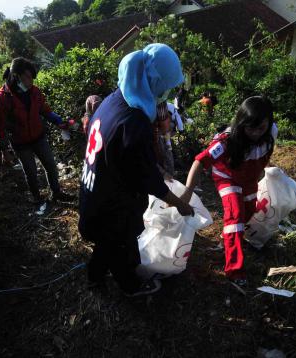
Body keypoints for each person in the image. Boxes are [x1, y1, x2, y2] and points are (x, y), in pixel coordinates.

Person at [78, 44, 194, 297]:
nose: (166, 93)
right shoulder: (135, 120)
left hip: (94, 189)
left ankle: (94, 279)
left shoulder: (115, 98)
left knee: (106, 244)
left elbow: (130, 157)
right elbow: (144, 176)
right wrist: (179, 203)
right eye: (165, 86)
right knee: (120, 245)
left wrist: (157, 171)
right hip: (112, 203)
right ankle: (130, 286)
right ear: (153, 80)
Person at [180, 96, 277, 288]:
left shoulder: (271, 132)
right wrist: (187, 192)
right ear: (242, 123)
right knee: (235, 217)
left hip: (249, 179)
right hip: (227, 177)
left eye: (261, 128)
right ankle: (235, 269)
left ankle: (230, 239)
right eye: (251, 128)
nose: (256, 133)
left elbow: (263, 154)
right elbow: (200, 161)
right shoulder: (226, 142)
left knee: (249, 211)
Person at [0, 57, 74, 206]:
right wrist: (4, 149)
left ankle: (56, 193)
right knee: (31, 172)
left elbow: (45, 110)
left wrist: (59, 122)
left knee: (50, 165)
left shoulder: (34, 92)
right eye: (28, 77)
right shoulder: (3, 99)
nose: (31, 82)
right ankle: (37, 198)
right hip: (21, 143)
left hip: (38, 137)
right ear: (16, 76)